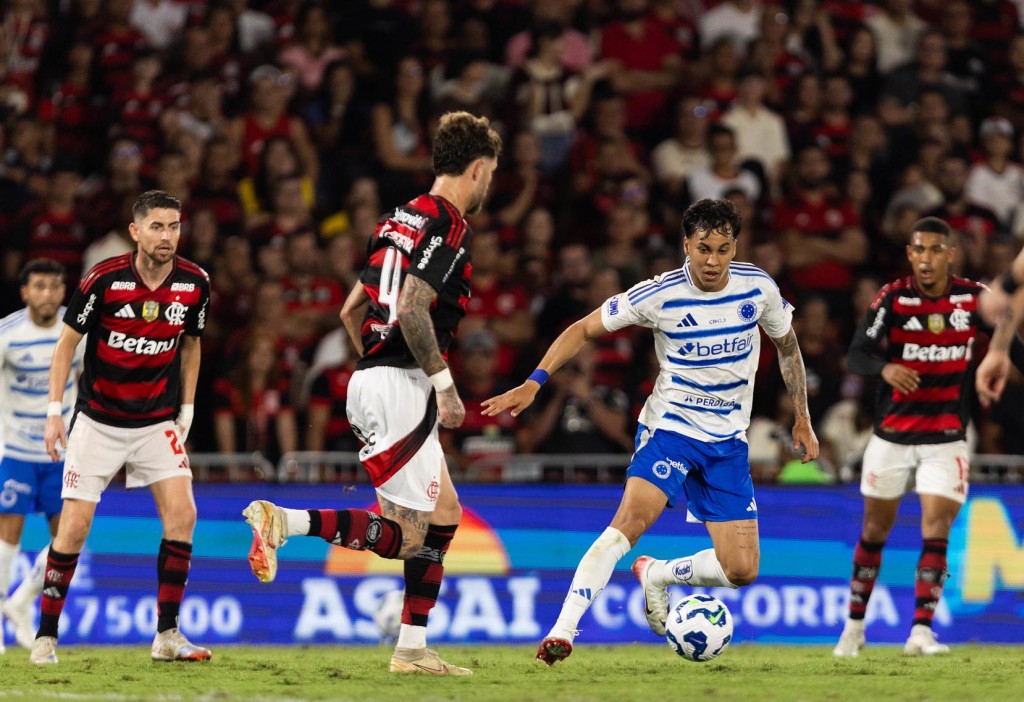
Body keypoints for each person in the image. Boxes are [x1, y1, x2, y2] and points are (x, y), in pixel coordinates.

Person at [482, 198, 820, 665]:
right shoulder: (658, 294)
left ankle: (659, 574)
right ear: (686, 245)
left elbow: (787, 345)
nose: (713, 260)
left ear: (735, 247)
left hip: (727, 443)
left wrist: (802, 416)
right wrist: (534, 382)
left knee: (741, 570)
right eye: (703, 248)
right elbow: (581, 329)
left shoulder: (757, 287)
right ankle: (562, 629)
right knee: (627, 526)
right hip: (671, 430)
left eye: (723, 250)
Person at [243, 111, 501, 676]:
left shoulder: (397, 219)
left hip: (372, 376)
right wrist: (443, 386)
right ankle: (284, 522)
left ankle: (411, 649)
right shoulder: (450, 225)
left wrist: (375, 364)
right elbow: (411, 307)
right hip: (402, 384)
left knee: (445, 512)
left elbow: (350, 309)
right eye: (491, 174)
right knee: (408, 537)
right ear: (478, 170)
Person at [33, 190, 212, 665]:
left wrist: (187, 409)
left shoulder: (195, 282)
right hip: (98, 420)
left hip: (155, 423)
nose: (167, 236)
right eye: (157, 226)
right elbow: (66, 345)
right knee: (73, 529)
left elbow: (192, 345)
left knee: (184, 515)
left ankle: (167, 635)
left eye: (174, 226)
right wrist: (54, 412)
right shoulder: (104, 279)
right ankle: (45, 637)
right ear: (135, 231)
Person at [834, 217, 1024, 658]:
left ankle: (920, 631)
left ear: (950, 254)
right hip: (892, 435)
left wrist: (1002, 351)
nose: (926, 258)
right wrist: (885, 368)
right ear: (909, 254)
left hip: (947, 436)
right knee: (874, 530)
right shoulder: (893, 298)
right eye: (919, 249)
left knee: (936, 529)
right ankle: (853, 628)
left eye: (936, 250)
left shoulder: (972, 299)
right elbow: (857, 354)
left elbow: (1011, 340)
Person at [0, 260, 83, 653]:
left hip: (62, 453)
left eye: (54, 285)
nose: (47, 294)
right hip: (15, 450)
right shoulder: (7, 334)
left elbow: (87, 379)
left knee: (68, 537)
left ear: (64, 291)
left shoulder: (77, 331)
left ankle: (21, 601)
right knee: (7, 538)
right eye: (39, 286)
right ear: (24, 292)